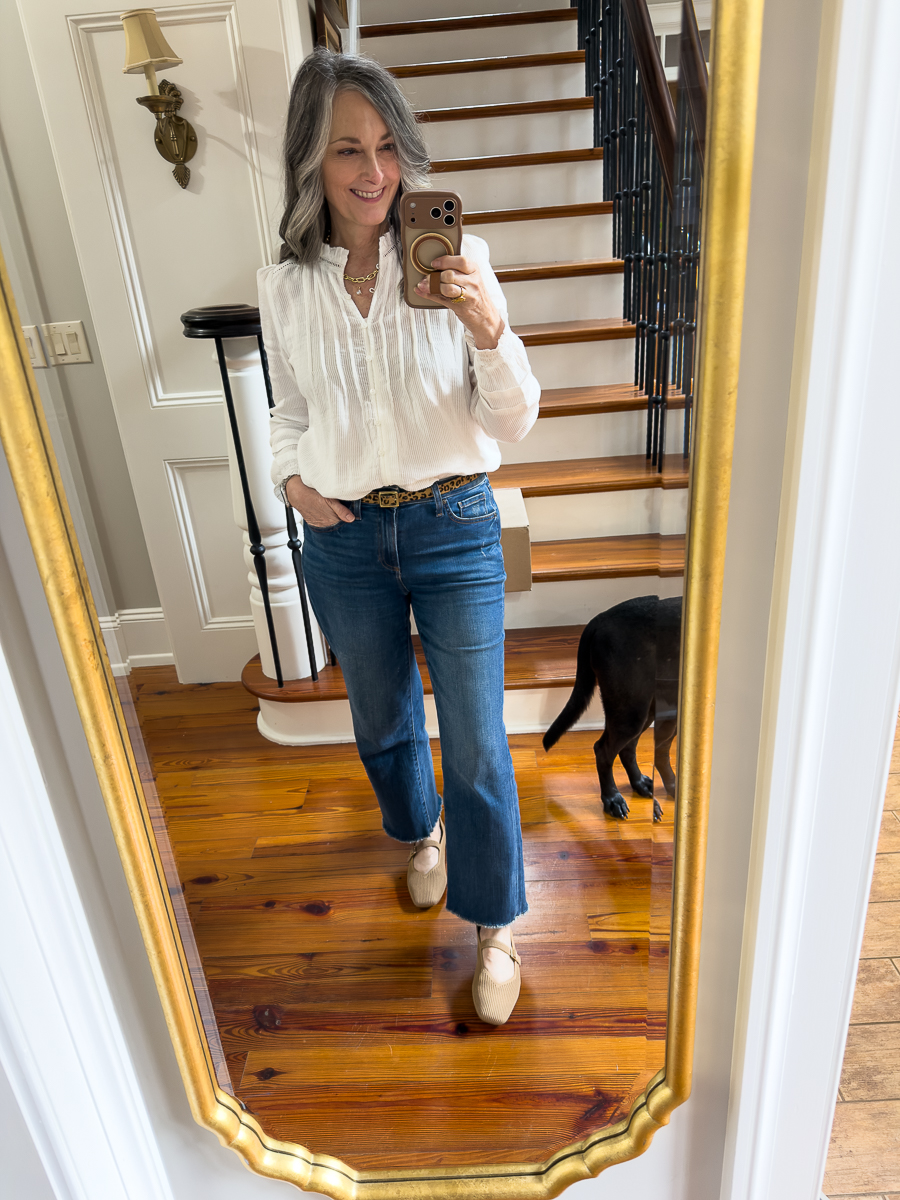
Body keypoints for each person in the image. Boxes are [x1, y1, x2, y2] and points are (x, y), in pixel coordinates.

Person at [258, 50, 540, 1026]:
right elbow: (285, 409)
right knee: (381, 721)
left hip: (455, 521)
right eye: (347, 149)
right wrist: (289, 477)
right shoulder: (285, 283)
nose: (374, 171)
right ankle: (422, 838)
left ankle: (496, 928)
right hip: (342, 539)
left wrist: (491, 330)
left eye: (386, 146)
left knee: (473, 740)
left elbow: (515, 421)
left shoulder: (462, 261)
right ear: (311, 161)